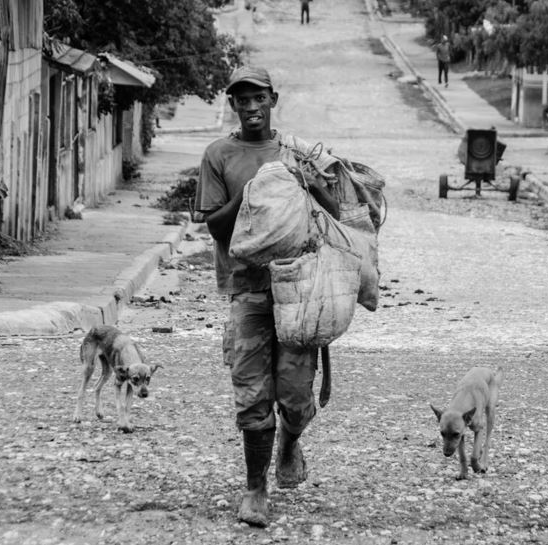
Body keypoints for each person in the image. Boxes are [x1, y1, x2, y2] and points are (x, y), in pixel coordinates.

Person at [196, 65, 339, 528]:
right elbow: (216, 227)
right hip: (247, 290)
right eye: (243, 99)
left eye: (259, 98)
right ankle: (255, 489)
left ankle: (290, 441)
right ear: (233, 105)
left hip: (298, 291)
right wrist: (251, 191)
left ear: (273, 100)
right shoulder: (218, 155)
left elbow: (334, 213)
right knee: (252, 395)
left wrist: (311, 183)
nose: (252, 106)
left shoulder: (296, 153)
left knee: (296, 395)